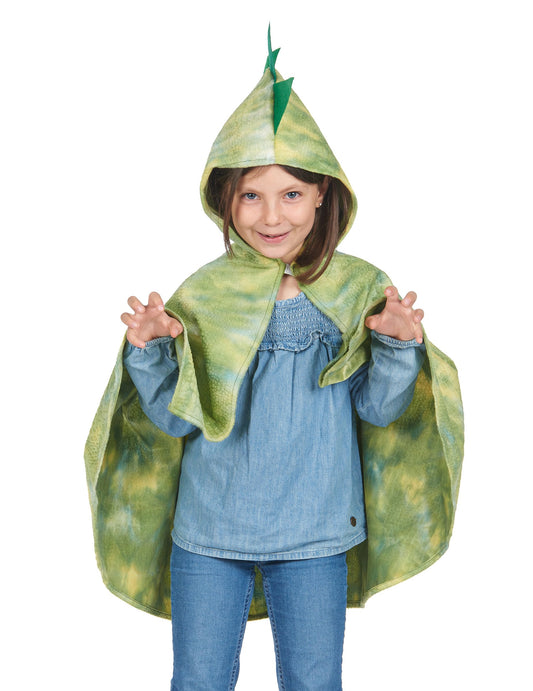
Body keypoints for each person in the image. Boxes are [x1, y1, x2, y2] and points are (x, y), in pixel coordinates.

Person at [85, 29, 463, 691]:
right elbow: (174, 421)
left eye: (290, 193)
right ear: (225, 199)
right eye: (250, 195)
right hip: (210, 528)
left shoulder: (357, 290)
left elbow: (378, 409)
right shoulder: (203, 295)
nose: (270, 216)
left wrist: (397, 345)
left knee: (313, 681)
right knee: (199, 679)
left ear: (322, 194)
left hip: (315, 530)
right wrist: (149, 351)